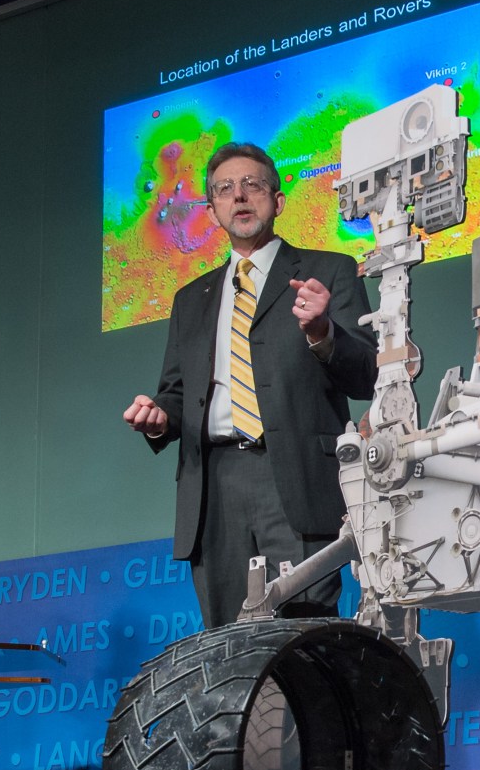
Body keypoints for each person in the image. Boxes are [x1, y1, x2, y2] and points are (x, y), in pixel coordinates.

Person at [123, 143, 377, 624]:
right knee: (227, 649)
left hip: (298, 479)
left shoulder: (329, 270)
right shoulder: (189, 299)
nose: (239, 196)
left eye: (252, 185)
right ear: (213, 208)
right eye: (224, 189)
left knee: (306, 644)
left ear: (277, 202)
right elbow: (177, 393)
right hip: (215, 488)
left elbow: (367, 374)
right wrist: (159, 418)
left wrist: (323, 333)